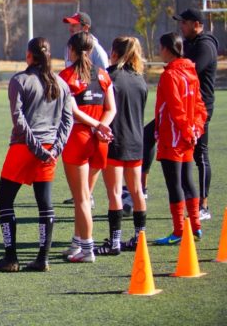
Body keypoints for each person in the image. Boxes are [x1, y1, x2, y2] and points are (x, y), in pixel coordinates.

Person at [0, 37, 73, 273]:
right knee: (44, 203)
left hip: (25, 147)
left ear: (29, 55)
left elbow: (19, 119)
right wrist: (55, 149)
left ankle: (11, 258)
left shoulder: (20, 80)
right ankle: (42, 258)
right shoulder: (61, 83)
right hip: (49, 148)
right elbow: (68, 120)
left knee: (4, 199)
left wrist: (36, 148)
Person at [60, 32, 116, 263]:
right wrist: (102, 127)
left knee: (81, 198)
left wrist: (94, 126)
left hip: (78, 139)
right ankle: (78, 241)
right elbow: (111, 108)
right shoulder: (102, 74)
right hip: (99, 141)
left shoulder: (66, 76)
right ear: (91, 51)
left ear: (71, 50)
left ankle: (87, 248)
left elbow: (73, 111)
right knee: (84, 196)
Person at [153, 32, 208, 245]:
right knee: (188, 180)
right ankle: (196, 227)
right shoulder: (190, 72)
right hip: (187, 137)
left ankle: (178, 231)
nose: (159, 51)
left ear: (168, 49)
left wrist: (186, 131)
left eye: (161, 47)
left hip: (173, 137)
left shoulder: (169, 75)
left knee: (174, 183)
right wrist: (195, 130)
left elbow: (176, 109)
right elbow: (199, 107)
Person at [96, 37, 148, 255]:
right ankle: (139, 238)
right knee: (137, 191)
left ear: (115, 53)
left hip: (116, 140)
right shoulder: (140, 80)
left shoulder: (109, 77)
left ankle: (115, 242)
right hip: (136, 140)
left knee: (115, 192)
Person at [173, 8, 218, 220]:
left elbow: (189, 72)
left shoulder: (205, 45)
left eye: (184, 23)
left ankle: (203, 206)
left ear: (196, 24)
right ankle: (137, 190)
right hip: (183, 107)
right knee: (150, 136)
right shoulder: (189, 44)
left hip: (200, 109)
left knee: (200, 154)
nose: (181, 26)